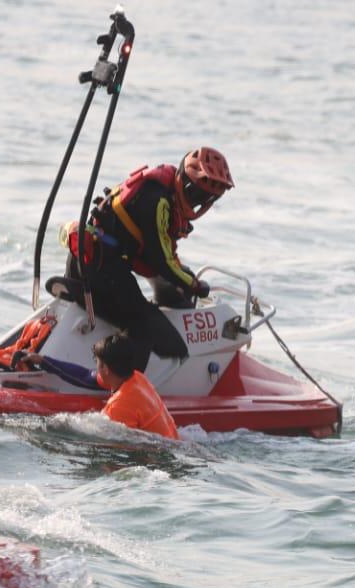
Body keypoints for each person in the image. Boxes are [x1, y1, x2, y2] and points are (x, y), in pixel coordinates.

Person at [66, 146, 234, 371]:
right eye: (196, 194)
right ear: (183, 182)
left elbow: (158, 252)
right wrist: (193, 285)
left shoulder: (162, 193)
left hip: (94, 264)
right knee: (148, 330)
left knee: (144, 311)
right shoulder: (158, 202)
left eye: (205, 198)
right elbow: (161, 260)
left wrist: (183, 277)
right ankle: (126, 391)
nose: (197, 202)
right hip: (101, 270)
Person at [93, 334, 178, 440]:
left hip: (158, 452)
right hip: (175, 439)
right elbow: (90, 377)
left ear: (105, 368)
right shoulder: (138, 377)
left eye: (96, 361)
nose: (96, 367)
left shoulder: (118, 406)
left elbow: (118, 448)